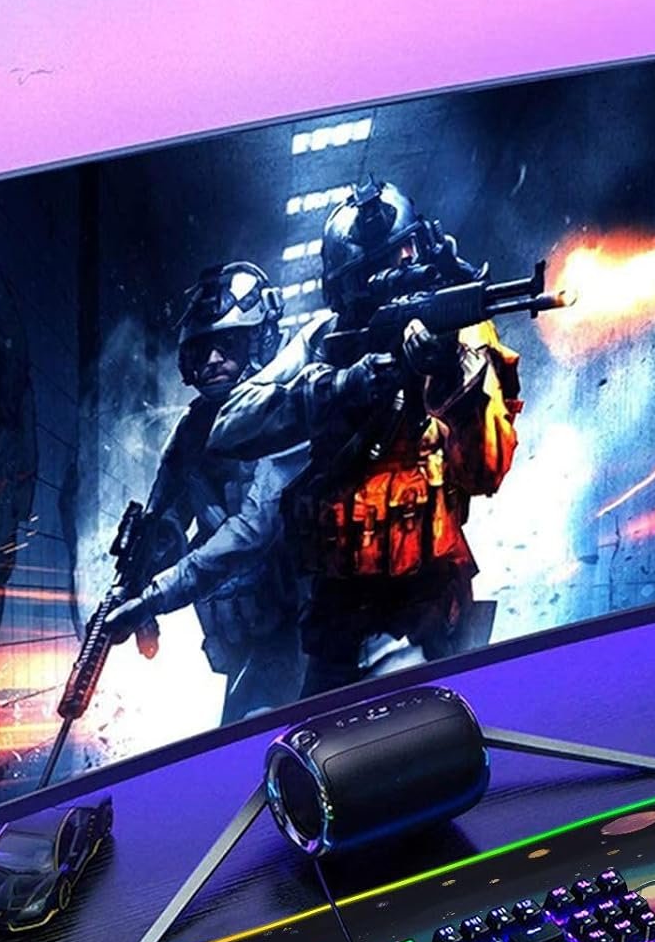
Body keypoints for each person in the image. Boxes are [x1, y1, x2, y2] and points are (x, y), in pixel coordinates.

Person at [208, 179, 522, 695]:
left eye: (408, 252)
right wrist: (336, 386)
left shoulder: (460, 329)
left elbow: (486, 471)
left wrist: (450, 379)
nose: (403, 271)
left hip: (425, 603)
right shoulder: (324, 340)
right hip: (336, 611)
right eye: (378, 269)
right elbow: (229, 426)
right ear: (346, 288)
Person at [106, 262, 307, 721]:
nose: (213, 360)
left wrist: (154, 597)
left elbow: (254, 530)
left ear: (259, 342)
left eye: (228, 345)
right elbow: (164, 519)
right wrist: (135, 582)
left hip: (301, 629)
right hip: (243, 638)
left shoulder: (283, 408)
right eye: (201, 350)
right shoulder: (192, 430)